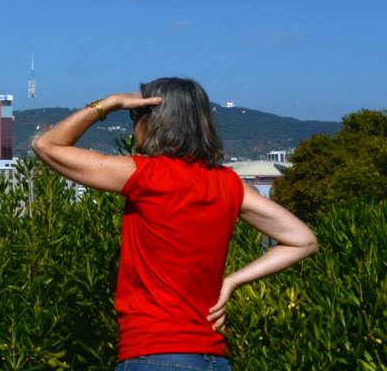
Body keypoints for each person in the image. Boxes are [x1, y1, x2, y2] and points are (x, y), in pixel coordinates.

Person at [30, 77, 318, 371]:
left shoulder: (146, 176)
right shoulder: (229, 184)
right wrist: (232, 281)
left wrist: (110, 103)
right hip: (213, 358)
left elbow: (46, 145)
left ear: (155, 120)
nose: (133, 125)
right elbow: (303, 240)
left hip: (154, 352)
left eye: (136, 115)